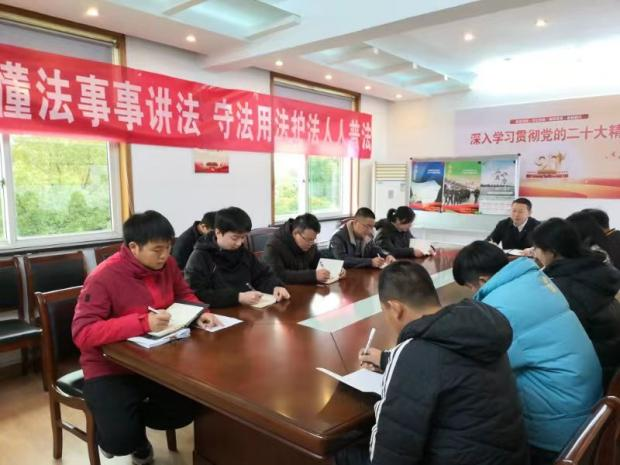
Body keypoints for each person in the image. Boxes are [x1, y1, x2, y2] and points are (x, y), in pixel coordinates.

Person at [336, 261, 528, 465]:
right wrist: (385, 359)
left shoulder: (414, 353)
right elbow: (446, 365)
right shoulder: (477, 330)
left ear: (395, 308)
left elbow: (389, 457)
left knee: (341, 451)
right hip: (511, 456)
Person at [72, 210, 219, 463]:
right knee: (120, 441)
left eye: (169, 247)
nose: (165, 255)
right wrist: (142, 322)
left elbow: (184, 293)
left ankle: (130, 418)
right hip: (110, 367)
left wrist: (200, 312)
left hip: (159, 360)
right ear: (133, 247)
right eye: (157, 249)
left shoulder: (167, 265)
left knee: (188, 408)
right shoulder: (103, 277)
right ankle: (124, 431)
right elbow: (83, 333)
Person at [453, 241, 602, 465]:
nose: (474, 293)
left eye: (470, 287)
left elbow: (480, 365)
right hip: (584, 406)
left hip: (558, 430)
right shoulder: (535, 281)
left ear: (482, 280)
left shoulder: (500, 308)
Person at [532, 218, 620, 388]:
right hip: (609, 358)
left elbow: (557, 340)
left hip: (591, 372)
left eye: (536, 248)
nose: (535, 254)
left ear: (552, 251)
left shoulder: (562, 287)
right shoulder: (596, 268)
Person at [185, 206, 290, 308]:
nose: (239, 243)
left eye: (243, 237)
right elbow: (198, 294)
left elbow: (262, 276)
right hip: (217, 313)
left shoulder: (243, 253)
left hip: (248, 310)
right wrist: (237, 297)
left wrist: (275, 287)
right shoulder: (200, 257)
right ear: (218, 233)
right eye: (234, 238)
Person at [263, 213, 344, 284]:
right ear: (295, 233)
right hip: (284, 291)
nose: (311, 243)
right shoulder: (273, 246)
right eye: (308, 239)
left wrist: (336, 269)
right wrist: (313, 275)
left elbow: (318, 262)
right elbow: (278, 276)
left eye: (313, 239)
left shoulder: (310, 242)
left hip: (307, 289)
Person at [329, 208, 395, 269]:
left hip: (362, 273)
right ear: (355, 222)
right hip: (344, 274)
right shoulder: (338, 237)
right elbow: (342, 259)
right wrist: (370, 262)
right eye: (367, 226)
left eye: (372, 227)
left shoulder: (368, 234)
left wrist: (386, 256)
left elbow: (374, 249)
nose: (370, 231)